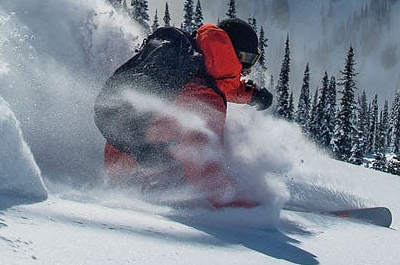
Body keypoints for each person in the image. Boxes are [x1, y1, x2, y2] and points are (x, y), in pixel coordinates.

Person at [99, 17, 275, 207]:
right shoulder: (205, 99)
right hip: (145, 181)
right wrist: (246, 208)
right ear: (235, 56)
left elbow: (216, 78)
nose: (247, 70)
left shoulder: (190, 53)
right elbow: (204, 163)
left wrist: (250, 94)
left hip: (118, 146)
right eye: (249, 60)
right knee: (180, 169)